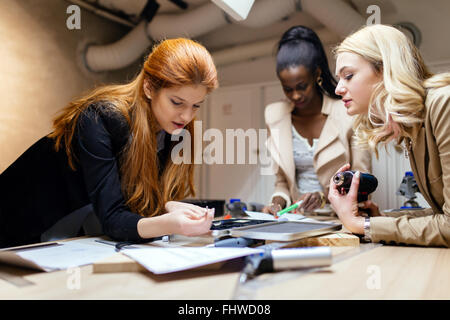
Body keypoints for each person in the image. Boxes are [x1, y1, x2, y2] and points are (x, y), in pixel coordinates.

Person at [0, 38, 218, 248]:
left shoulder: (173, 131)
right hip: (17, 222)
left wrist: (166, 207)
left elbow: (129, 202)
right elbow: (113, 218)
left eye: (196, 106)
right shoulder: (99, 118)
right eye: (177, 102)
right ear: (149, 87)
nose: (186, 116)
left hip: (67, 234)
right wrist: (168, 223)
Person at [329, 24, 450, 247]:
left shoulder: (444, 104)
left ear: (386, 70)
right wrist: (379, 221)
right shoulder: (415, 125)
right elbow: (439, 214)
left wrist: (362, 226)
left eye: (348, 76)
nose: (338, 89)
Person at [262, 26, 371, 215]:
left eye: (302, 86)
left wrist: (322, 198)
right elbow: (281, 182)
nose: (295, 95)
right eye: (287, 89)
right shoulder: (275, 115)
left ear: (317, 74)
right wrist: (277, 203)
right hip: (296, 220)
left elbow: (363, 184)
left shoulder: (349, 112)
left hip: (341, 219)